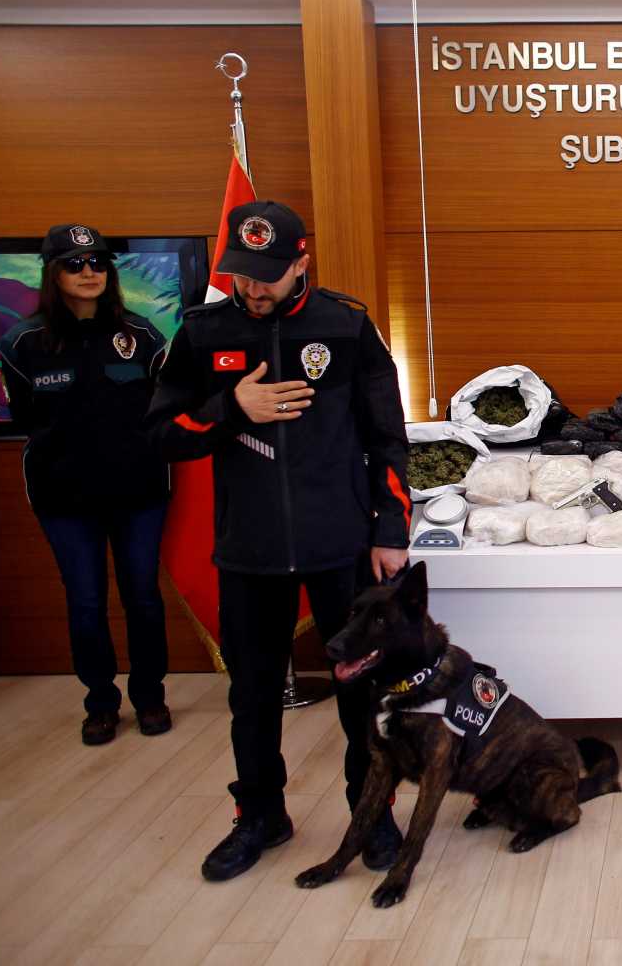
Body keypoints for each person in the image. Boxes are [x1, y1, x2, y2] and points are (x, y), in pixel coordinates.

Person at [146, 200, 413, 882]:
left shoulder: (345, 326)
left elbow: (387, 438)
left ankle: (371, 811)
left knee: (362, 693)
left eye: (265, 274)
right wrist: (231, 408)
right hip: (250, 546)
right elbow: (161, 434)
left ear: (301, 263)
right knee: (254, 695)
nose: (251, 288)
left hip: (340, 543)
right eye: (240, 273)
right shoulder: (204, 332)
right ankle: (260, 814)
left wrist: (390, 529)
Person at [0, 224, 173, 746]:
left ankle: (150, 697)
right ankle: (100, 702)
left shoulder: (143, 336)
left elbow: (165, 409)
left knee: (143, 598)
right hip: (65, 499)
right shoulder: (21, 344)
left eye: (98, 262)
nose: (89, 272)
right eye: (75, 264)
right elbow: (27, 419)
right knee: (86, 603)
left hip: (139, 493)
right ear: (53, 274)